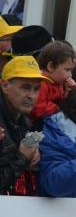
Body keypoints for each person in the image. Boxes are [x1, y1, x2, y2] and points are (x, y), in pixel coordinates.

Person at [0, 56, 48, 195]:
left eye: (36, 89)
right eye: (25, 87)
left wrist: (34, 153)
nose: (32, 96)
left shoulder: (24, 120)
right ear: (4, 85)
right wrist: (22, 157)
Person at [30, 40, 76, 121]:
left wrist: (66, 93)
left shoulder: (59, 83)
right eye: (67, 70)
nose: (70, 75)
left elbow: (60, 100)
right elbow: (37, 107)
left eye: (71, 70)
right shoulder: (41, 83)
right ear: (51, 66)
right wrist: (58, 109)